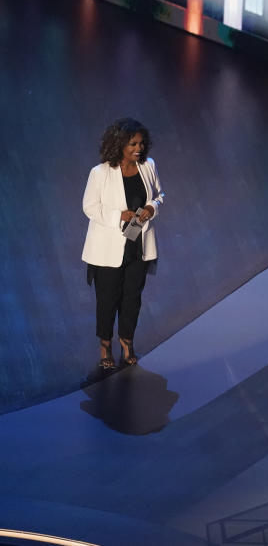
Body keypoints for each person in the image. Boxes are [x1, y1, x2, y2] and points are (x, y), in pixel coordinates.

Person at [82, 118, 164, 370]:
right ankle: (105, 344)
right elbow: (89, 207)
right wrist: (118, 215)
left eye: (140, 143)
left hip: (138, 243)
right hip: (108, 248)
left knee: (132, 298)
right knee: (108, 299)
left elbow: (159, 195)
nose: (138, 148)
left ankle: (126, 340)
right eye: (132, 144)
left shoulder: (148, 166)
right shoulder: (100, 172)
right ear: (119, 145)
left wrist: (152, 207)